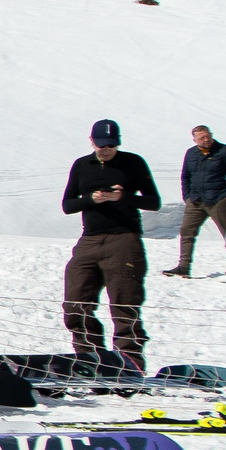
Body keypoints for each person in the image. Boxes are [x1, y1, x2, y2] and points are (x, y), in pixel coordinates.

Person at [62, 118, 161, 372]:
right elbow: (68, 205)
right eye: (101, 144)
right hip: (90, 238)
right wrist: (91, 199)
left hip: (124, 238)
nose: (106, 149)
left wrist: (122, 197)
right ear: (91, 140)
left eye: (111, 145)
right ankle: (90, 361)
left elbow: (153, 201)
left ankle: (130, 366)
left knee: (124, 304)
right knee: (76, 303)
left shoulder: (133, 162)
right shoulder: (82, 165)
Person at [166, 124, 226, 278]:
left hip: (219, 199)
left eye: (208, 136)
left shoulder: (225, 152)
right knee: (186, 232)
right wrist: (187, 196)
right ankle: (184, 266)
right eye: (202, 138)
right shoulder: (191, 153)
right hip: (195, 200)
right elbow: (185, 176)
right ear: (195, 140)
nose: (206, 139)